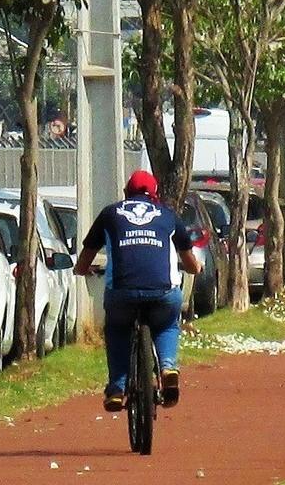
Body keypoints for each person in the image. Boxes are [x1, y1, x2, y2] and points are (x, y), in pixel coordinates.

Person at [75, 170, 203, 412]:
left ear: (126, 193)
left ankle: (116, 389)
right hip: (163, 294)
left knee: (117, 328)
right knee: (167, 324)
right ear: (155, 195)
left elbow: (84, 259)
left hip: (121, 294)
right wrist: (196, 267)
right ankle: (167, 368)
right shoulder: (168, 216)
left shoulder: (110, 214)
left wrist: (82, 270)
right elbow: (190, 262)